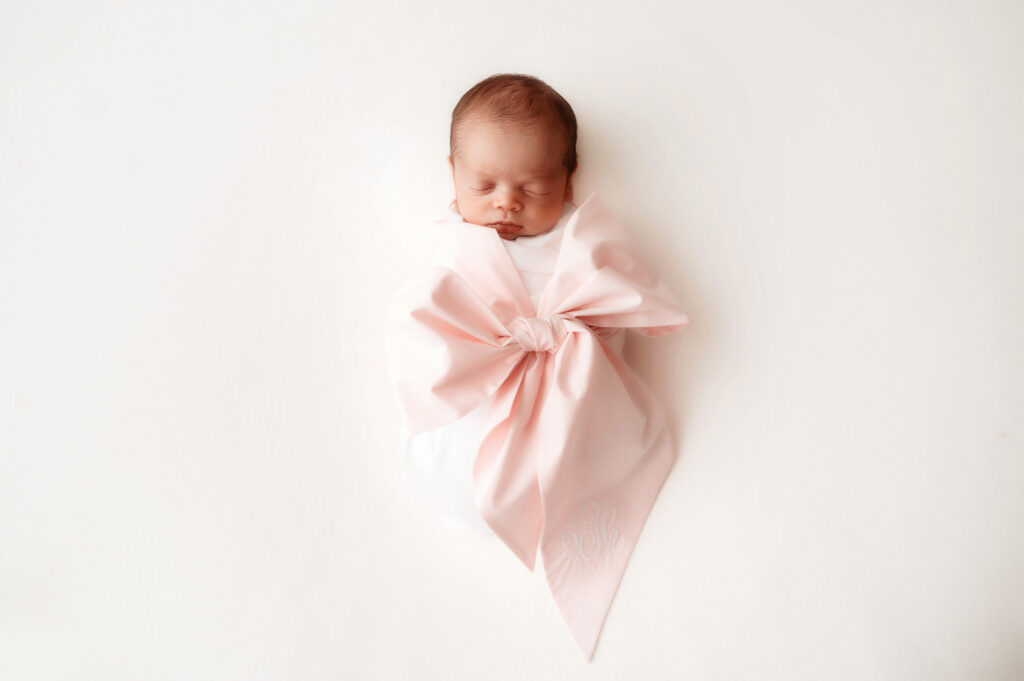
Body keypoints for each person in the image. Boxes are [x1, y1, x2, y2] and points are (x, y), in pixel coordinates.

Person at [400, 74, 625, 537]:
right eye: (483, 186)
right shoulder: (453, 245)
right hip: (473, 381)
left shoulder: (579, 241)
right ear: (453, 173)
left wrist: (563, 337)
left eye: (533, 188)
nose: (507, 203)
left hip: (555, 386)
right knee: (458, 441)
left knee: (565, 444)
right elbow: (421, 325)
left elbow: (610, 311)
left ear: (568, 181)